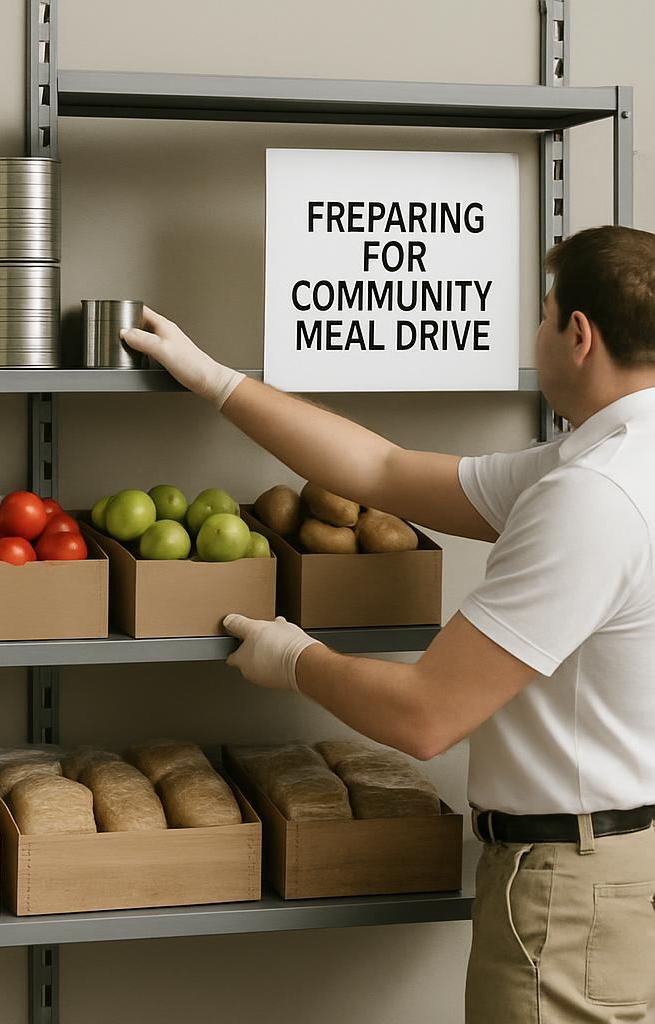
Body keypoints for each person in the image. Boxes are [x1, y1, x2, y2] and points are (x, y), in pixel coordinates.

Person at [121, 224, 655, 1024]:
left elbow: (426, 715)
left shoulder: (592, 495)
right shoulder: (600, 462)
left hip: (567, 889)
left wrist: (296, 659)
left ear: (579, 335)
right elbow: (385, 472)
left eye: (544, 317)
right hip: (618, 867)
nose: (537, 334)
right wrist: (218, 381)